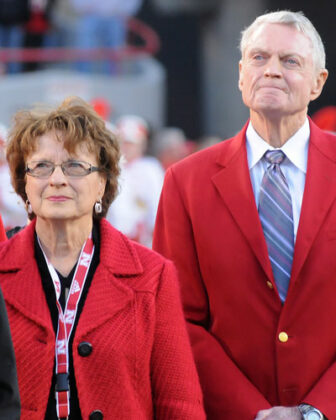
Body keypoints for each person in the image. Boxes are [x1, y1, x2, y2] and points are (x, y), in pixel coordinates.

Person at [153, 10, 333, 420]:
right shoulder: (186, 182)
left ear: (318, 83)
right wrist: (254, 412)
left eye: (290, 61)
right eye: (258, 58)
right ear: (239, 74)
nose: (271, 71)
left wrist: (316, 410)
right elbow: (179, 319)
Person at [0, 96, 205, 419]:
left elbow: (179, 404)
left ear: (102, 184)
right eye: (41, 166)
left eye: (75, 166)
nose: (57, 179)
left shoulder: (152, 275)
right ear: (24, 185)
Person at [107, 114, 164, 247]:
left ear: (142, 145)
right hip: (111, 239)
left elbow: (157, 207)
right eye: (123, 142)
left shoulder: (151, 169)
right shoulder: (108, 167)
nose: (127, 147)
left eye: (131, 143)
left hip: (141, 242)